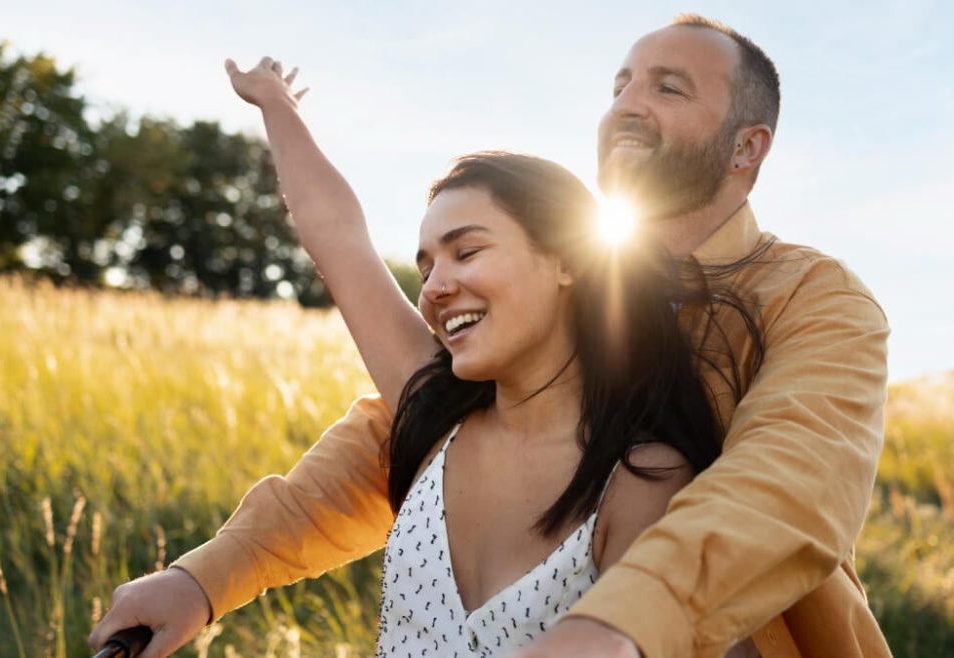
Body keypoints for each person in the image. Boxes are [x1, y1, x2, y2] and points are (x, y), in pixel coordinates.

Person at [91, 14, 892, 658]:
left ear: (748, 147)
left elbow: (789, 481)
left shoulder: (815, 302)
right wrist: (204, 578)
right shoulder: (494, 352)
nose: (626, 104)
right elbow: (385, 435)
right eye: (620, 83)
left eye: (668, 87)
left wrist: (616, 625)